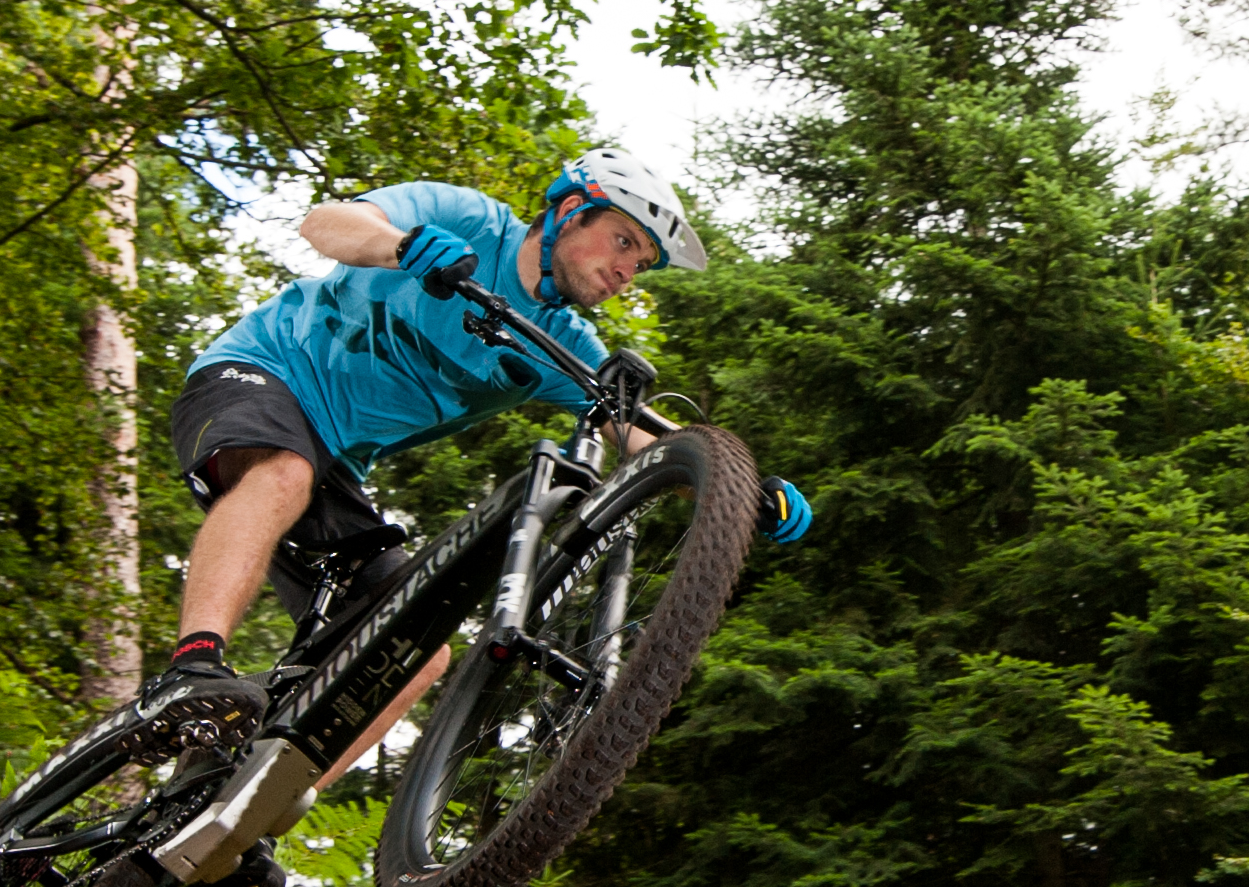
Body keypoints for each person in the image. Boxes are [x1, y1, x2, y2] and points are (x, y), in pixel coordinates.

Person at [139, 147, 808, 722]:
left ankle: (241, 811)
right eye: (626, 242)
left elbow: (641, 434)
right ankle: (193, 669)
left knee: (415, 654)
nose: (628, 270)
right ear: (571, 211)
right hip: (260, 371)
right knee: (284, 472)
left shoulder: (559, 345)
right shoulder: (466, 219)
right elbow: (327, 223)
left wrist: (736, 488)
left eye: (643, 265)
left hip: (333, 471)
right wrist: (401, 246)